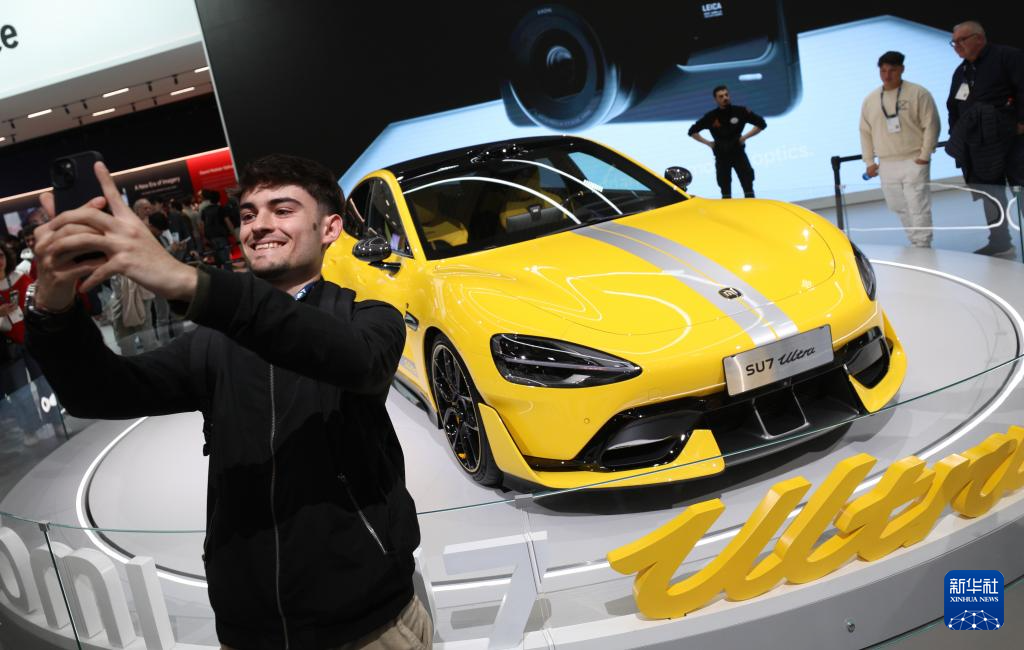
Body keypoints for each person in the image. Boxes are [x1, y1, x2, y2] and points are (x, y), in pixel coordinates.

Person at [25, 155, 429, 649]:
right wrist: (53, 306)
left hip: (372, 626)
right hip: (248, 629)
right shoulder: (213, 343)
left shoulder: (369, 318)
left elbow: (354, 359)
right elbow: (97, 392)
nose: (260, 225)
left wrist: (190, 282)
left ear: (330, 228)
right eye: (249, 214)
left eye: (283, 210)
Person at [944, 20, 1024, 257]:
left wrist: (1022, 122)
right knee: (990, 193)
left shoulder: (1008, 57)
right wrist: (956, 136)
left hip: (1013, 140)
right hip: (979, 147)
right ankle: (1000, 243)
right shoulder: (961, 72)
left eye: (961, 40)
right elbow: (953, 107)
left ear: (979, 38)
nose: (957, 46)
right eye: (953, 42)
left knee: (1021, 189)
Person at [860, 51, 940, 248]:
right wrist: (869, 161)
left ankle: (923, 244)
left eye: (892, 70)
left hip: (913, 159)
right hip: (886, 162)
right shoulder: (871, 99)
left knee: (917, 203)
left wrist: (924, 155)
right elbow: (865, 132)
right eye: (883, 71)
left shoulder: (918, 93)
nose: (887, 75)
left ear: (902, 69)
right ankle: (914, 240)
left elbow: (931, 124)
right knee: (898, 205)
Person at [688, 85, 767, 198]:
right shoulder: (711, 116)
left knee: (748, 184)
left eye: (726, 95)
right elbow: (692, 131)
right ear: (716, 99)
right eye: (721, 96)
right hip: (721, 156)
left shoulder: (741, 111)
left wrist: (745, 137)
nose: (725, 98)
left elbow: (761, 124)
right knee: (725, 188)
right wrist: (708, 143)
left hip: (738, 153)